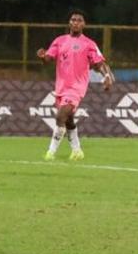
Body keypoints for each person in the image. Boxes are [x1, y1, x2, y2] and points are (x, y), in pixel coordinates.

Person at [37, 9, 114, 161]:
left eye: (79, 20)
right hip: (61, 87)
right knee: (69, 120)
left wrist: (106, 76)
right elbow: (48, 59)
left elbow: (99, 63)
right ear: (69, 23)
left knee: (60, 116)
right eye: (73, 20)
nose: (76, 22)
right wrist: (43, 56)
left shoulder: (89, 44)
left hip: (76, 88)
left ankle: (50, 153)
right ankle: (77, 151)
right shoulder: (60, 41)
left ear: (84, 24)